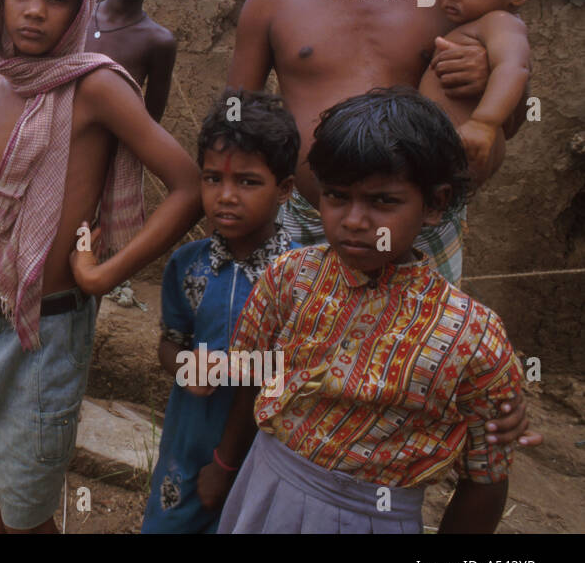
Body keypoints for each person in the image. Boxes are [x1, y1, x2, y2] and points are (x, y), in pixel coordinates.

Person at [0, 0, 201, 533]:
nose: (35, 11)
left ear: (80, 9)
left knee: (31, 502)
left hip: (44, 329)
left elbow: (189, 188)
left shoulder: (96, 87)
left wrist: (107, 274)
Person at [207, 89, 522, 534]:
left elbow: (486, 479)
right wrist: (225, 463)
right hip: (264, 484)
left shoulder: (472, 337)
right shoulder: (291, 277)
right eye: (336, 196)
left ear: (435, 203)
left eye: (382, 201)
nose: (354, 221)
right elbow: (253, 378)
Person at [227, 0, 525, 286]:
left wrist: (488, 80)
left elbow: (510, 118)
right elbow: (238, 120)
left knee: (416, 355)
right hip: (306, 224)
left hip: (422, 227)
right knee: (300, 354)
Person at [141, 89, 300, 534]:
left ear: (285, 189)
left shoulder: (302, 277)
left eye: (248, 182)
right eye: (213, 179)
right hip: (188, 441)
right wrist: (187, 367)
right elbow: (169, 345)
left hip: (263, 453)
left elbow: (291, 372)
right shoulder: (186, 265)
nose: (226, 196)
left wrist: (226, 464)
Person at [420, 0, 556, 186]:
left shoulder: (500, 22)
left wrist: (483, 124)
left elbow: (513, 68)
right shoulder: (476, 23)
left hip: (464, 146)